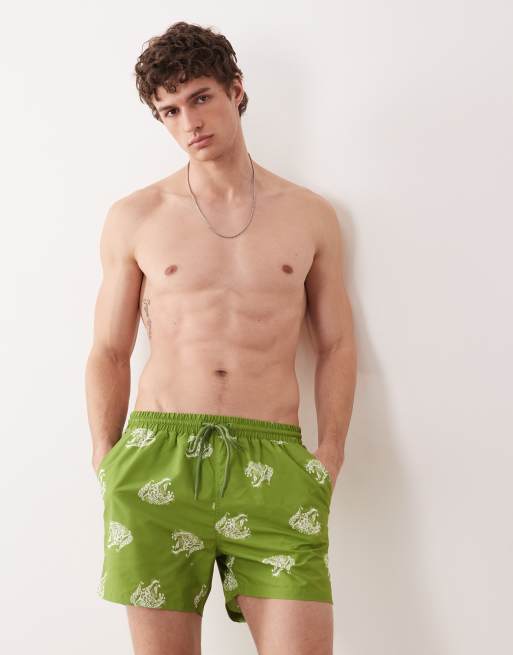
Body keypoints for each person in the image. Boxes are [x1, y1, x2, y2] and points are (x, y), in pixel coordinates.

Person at [85, 20, 357, 655]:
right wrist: (105, 456)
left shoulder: (310, 215)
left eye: (200, 98)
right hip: (157, 459)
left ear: (236, 90)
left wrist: (331, 452)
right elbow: (109, 349)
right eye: (170, 111)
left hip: (275, 462)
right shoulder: (136, 216)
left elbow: (337, 345)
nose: (190, 123)